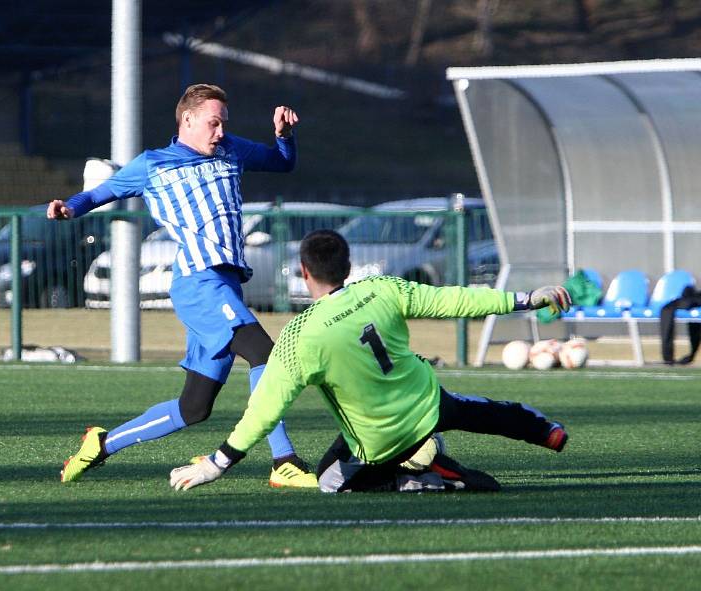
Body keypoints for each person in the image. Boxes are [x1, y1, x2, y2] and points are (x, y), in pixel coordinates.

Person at [51, 83, 317, 488]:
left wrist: (284, 137)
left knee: (194, 408)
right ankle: (284, 459)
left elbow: (283, 164)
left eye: (224, 123)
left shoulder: (231, 150)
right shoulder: (153, 164)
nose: (220, 131)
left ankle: (101, 444)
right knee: (266, 353)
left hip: (225, 283)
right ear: (187, 120)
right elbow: (100, 193)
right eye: (214, 123)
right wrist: (68, 207)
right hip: (199, 283)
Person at [169, 229, 572, 493]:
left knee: (329, 482)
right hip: (427, 405)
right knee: (475, 410)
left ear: (305, 273)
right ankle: (545, 430)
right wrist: (525, 299)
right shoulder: (383, 288)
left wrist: (217, 464)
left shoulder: (300, 334)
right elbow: (456, 299)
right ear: (347, 267)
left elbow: (264, 409)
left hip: (379, 442)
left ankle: (426, 480)